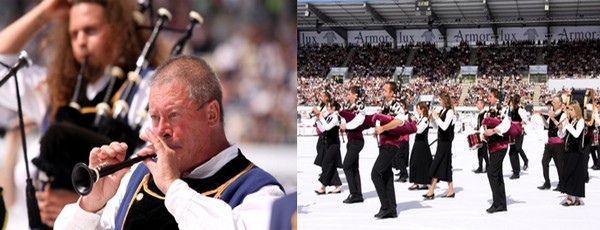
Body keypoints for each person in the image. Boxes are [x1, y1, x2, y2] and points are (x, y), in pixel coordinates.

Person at [54, 55, 285, 229]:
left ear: (212, 114)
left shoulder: (259, 191)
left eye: (174, 115)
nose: (161, 130)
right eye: (155, 117)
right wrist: (90, 207)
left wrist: (173, 188)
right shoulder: (135, 178)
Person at [0, 0, 169, 227]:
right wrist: (42, 13)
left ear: (118, 30)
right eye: (74, 33)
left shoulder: (145, 87)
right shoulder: (56, 90)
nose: (81, 41)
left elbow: (150, 166)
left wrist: (84, 205)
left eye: (90, 30)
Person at [371, 81, 405, 219]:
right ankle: (392, 208)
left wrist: (383, 128)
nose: (383, 91)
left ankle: (385, 206)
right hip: (385, 143)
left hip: (391, 144)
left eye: (385, 90)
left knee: (375, 173)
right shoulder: (386, 105)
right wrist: (379, 131)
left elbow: (400, 120)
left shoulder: (396, 105)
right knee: (386, 176)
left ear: (392, 93)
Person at [339, 86, 372, 203]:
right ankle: (358, 194)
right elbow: (345, 118)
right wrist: (344, 125)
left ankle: (354, 193)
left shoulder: (360, 106)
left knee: (347, 165)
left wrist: (346, 126)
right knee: (353, 167)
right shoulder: (349, 106)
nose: (348, 96)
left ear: (355, 95)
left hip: (357, 140)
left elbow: (359, 121)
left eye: (350, 94)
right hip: (351, 141)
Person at [482, 88, 511, 214]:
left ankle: (497, 203)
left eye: (490, 96)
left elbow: (506, 124)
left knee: (492, 173)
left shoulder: (504, 108)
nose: (488, 99)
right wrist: (484, 133)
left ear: (496, 97)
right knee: (497, 174)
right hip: (492, 144)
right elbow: (485, 125)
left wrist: (493, 131)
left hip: (501, 144)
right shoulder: (489, 110)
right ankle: (501, 204)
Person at [423, 91, 455, 200]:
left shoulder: (450, 112)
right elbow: (438, 128)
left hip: (446, 143)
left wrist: (436, 117)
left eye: (440, 100)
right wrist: (432, 120)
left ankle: (431, 191)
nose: (439, 102)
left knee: (437, 165)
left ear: (444, 100)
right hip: (441, 142)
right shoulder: (443, 111)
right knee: (444, 166)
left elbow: (445, 127)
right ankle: (450, 190)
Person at [557, 101, 587, 206]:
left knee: (576, 175)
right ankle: (569, 196)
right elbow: (562, 135)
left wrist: (568, 124)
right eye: (569, 110)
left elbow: (576, 134)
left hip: (577, 152)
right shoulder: (572, 121)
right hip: (568, 151)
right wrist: (561, 128)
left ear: (576, 110)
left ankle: (577, 198)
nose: (570, 112)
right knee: (568, 173)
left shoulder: (581, 121)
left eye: (571, 110)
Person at [538, 95, 566, 190]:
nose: (553, 104)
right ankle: (547, 182)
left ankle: (562, 183)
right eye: (553, 102)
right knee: (544, 162)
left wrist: (553, 118)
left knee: (559, 165)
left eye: (555, 102)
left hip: (558, 143)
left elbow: (561, 127)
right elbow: (547, 126)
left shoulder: (563, 114)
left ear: (560, 104)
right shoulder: (552, 113)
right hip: (549, 142)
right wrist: (543, 118)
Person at [314, 101, 342, 195]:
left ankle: (323, 187)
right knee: (331, 165)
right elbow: (322, 129)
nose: (327, 108)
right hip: (329, 144)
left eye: (329, 107)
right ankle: (337, 186)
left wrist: (321, 118)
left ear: (334, 108)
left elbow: (327, 128)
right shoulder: (330, 116)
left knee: (326, 164)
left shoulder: (336, 117)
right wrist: (318, 120)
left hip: (334, 144)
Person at [408, 102, 432, 191]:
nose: (417, 111)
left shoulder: (425, 119)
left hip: (421, 143)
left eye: (418, 109)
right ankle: (421, 182)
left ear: (422, 109)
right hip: (418, 142)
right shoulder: (421, 119)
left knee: (417, 162)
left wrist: (413, 121)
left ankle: (417, 182)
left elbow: (419, 130)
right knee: (420, 162)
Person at [508, 94, 529, 179]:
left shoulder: (520, 110)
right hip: (513, 131)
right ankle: (516, 169)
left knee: (517, 148)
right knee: (514, 150)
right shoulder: (511, 109)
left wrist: (519, 124)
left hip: (519, 131)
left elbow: (525, 120)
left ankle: (518, 169)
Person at [473, 99, 489, 174]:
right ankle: (480, 166)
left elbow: (486, 125)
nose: (477, 105)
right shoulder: (479, 114)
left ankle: (487, 166)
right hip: (480, 134)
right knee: (480, 151)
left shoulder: (485, 113)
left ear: (482, 105)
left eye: (478, 103)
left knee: (484, 151)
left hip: (483, 135)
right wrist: (477, 128)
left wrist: (485, 134)